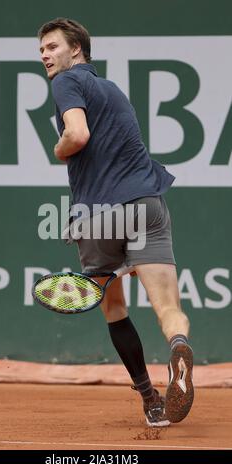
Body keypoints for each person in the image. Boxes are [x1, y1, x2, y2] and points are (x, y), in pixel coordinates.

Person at [38, 18, 194, 427]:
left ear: (77, 51)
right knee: (169, 308)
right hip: (148, 205)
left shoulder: (65, 83)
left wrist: (58, 149)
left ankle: (151, 400)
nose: (44, 55)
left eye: (52, 47)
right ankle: (179, 346)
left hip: (99, 215)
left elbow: (77, 134)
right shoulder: (112, 89)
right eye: (41, 50)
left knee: (114, 306)